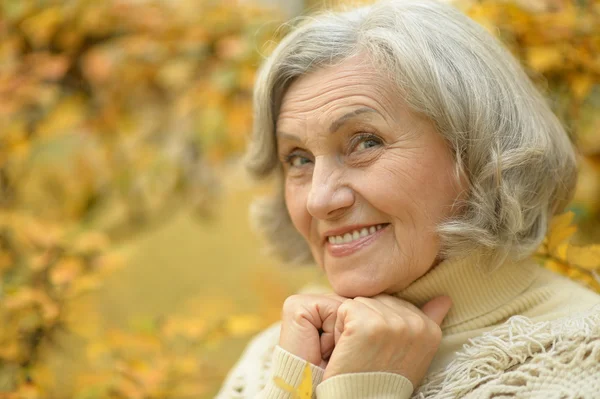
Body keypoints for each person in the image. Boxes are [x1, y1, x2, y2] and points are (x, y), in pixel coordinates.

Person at [216, 0, 600, 397]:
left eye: (365, 142)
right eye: (298, 159)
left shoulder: (581, 365)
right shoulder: (272, 361)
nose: (318, 199)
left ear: (476, 150)